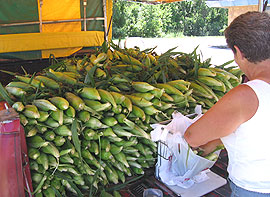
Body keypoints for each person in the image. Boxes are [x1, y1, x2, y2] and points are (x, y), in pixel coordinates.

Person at [183, 11, 270, 196]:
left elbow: (192, 136)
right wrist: (217, 141)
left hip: (255, 190)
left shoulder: (247, 95)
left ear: (239, 52)